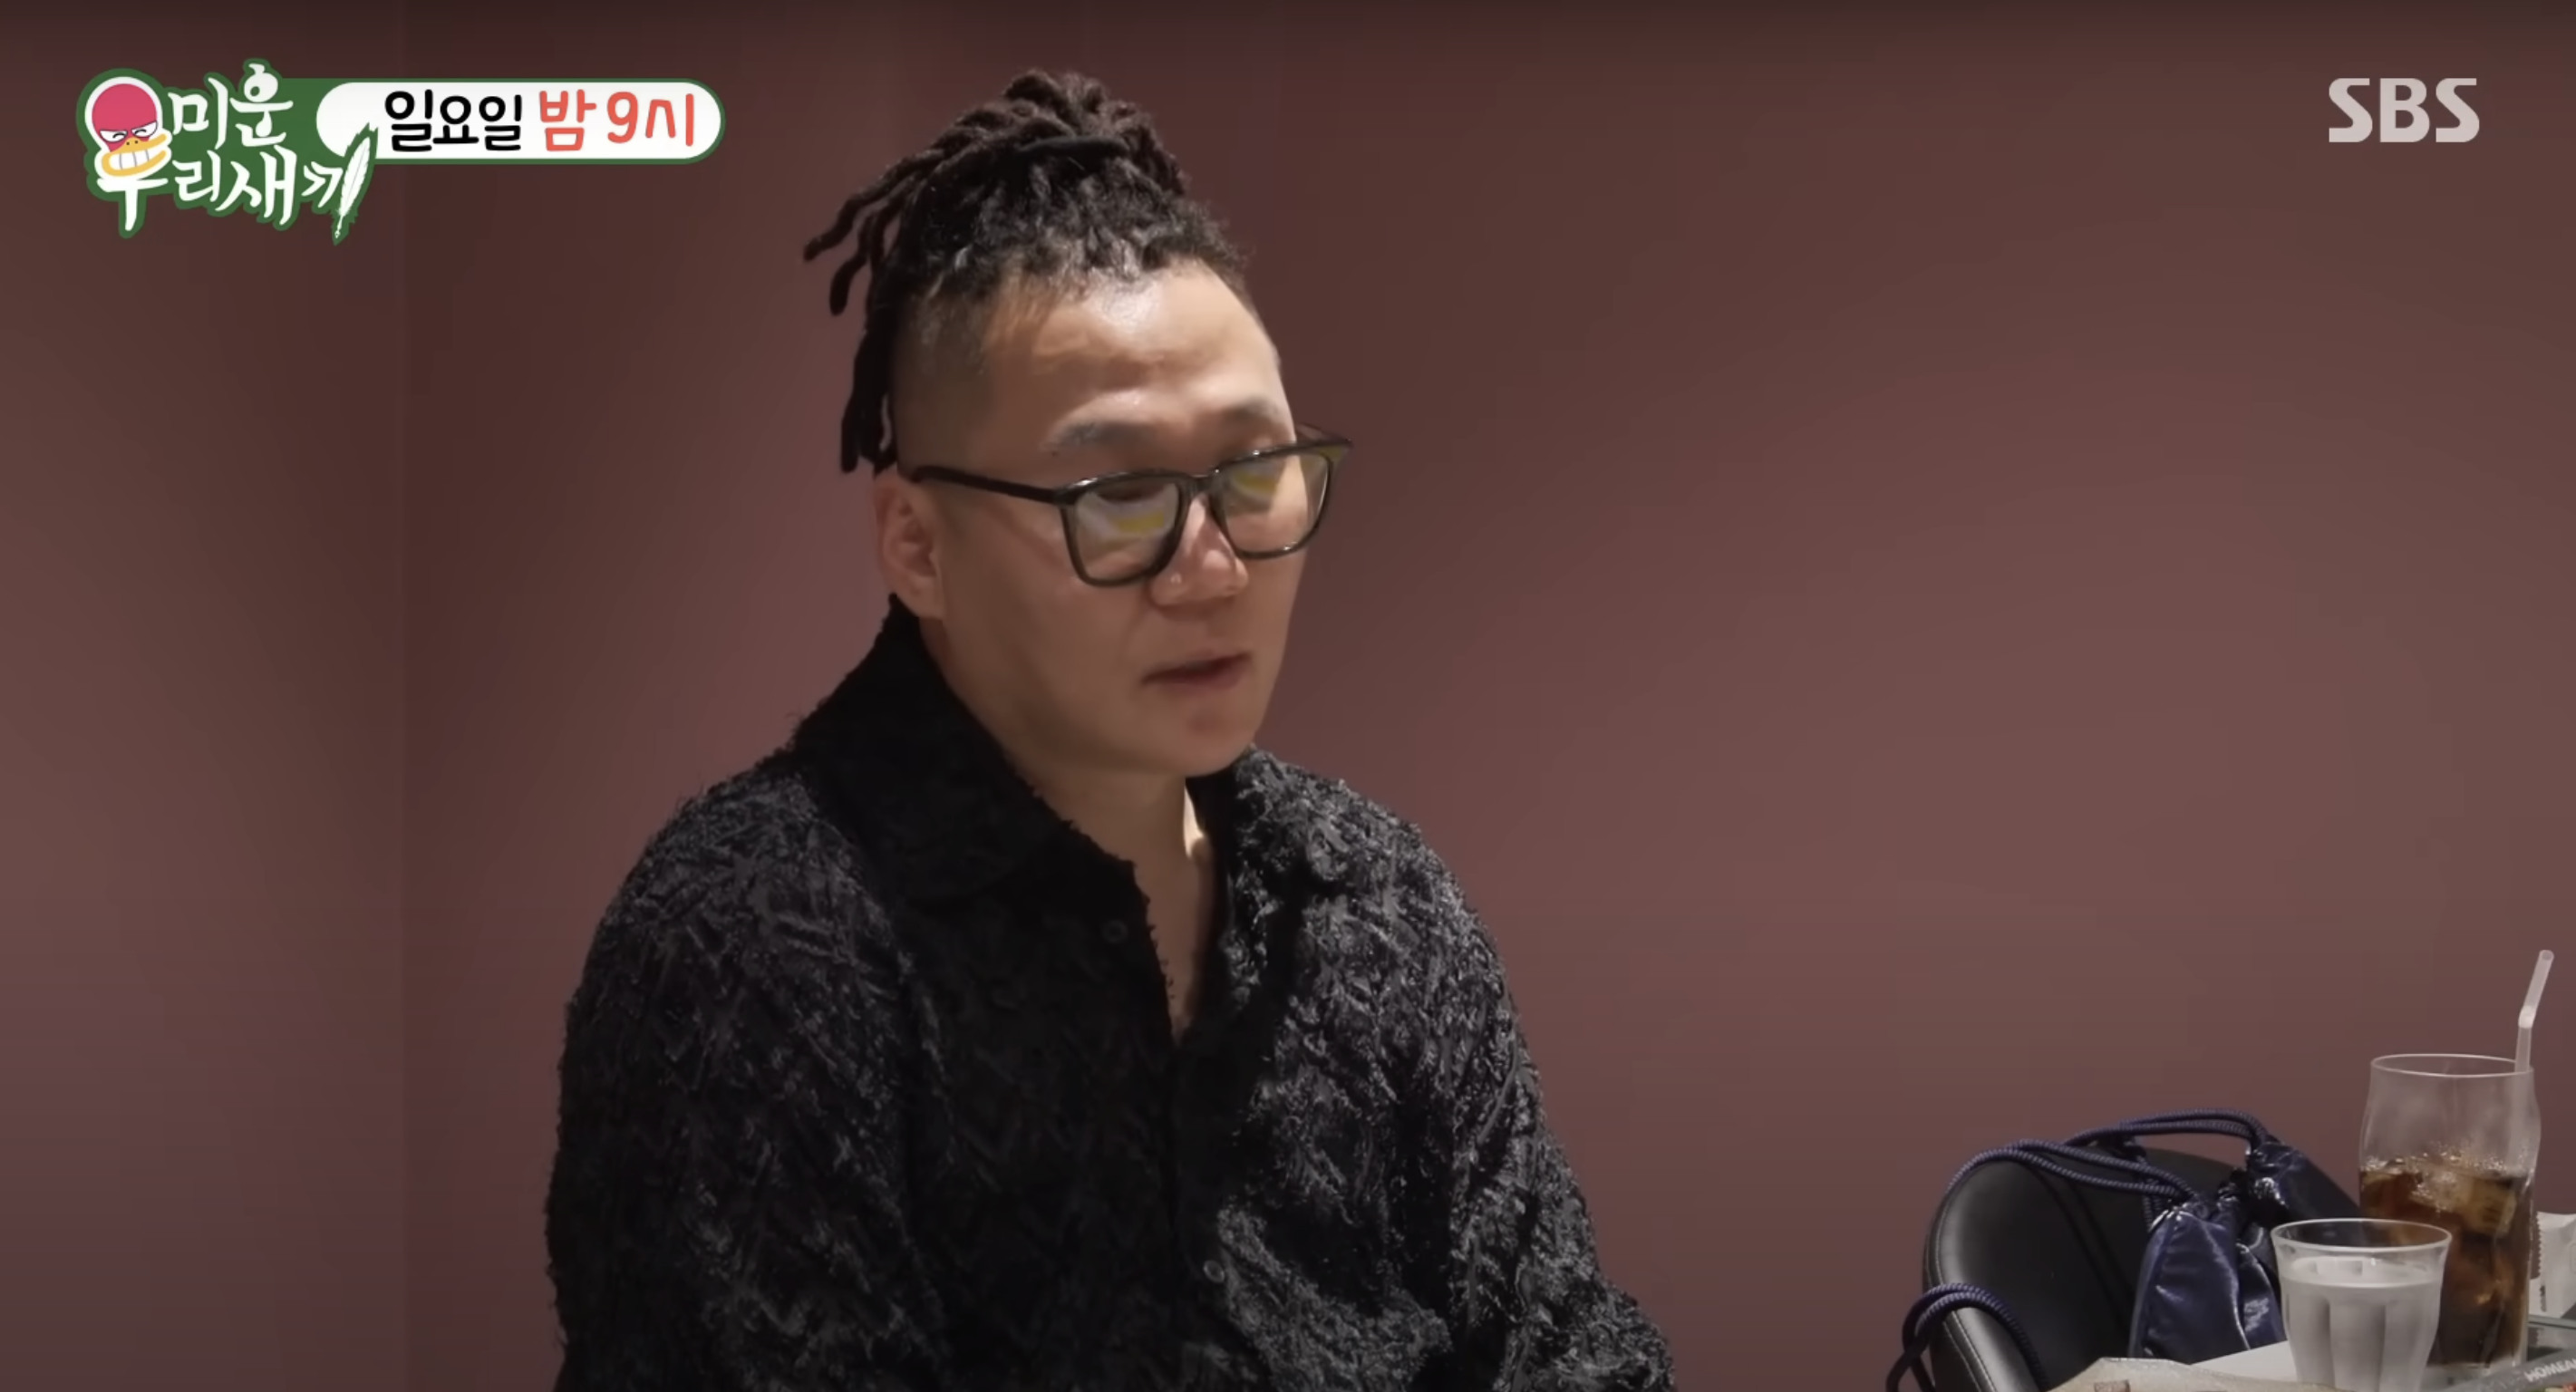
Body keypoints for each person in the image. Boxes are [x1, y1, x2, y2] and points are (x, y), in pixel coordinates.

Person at [542, 70, 1675, 1392]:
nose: (1213, 567)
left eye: (1254, 472)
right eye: (1120, 495)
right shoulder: (749, 942)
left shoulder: (1371, 899)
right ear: (916, 542)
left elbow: (1574, 1353)